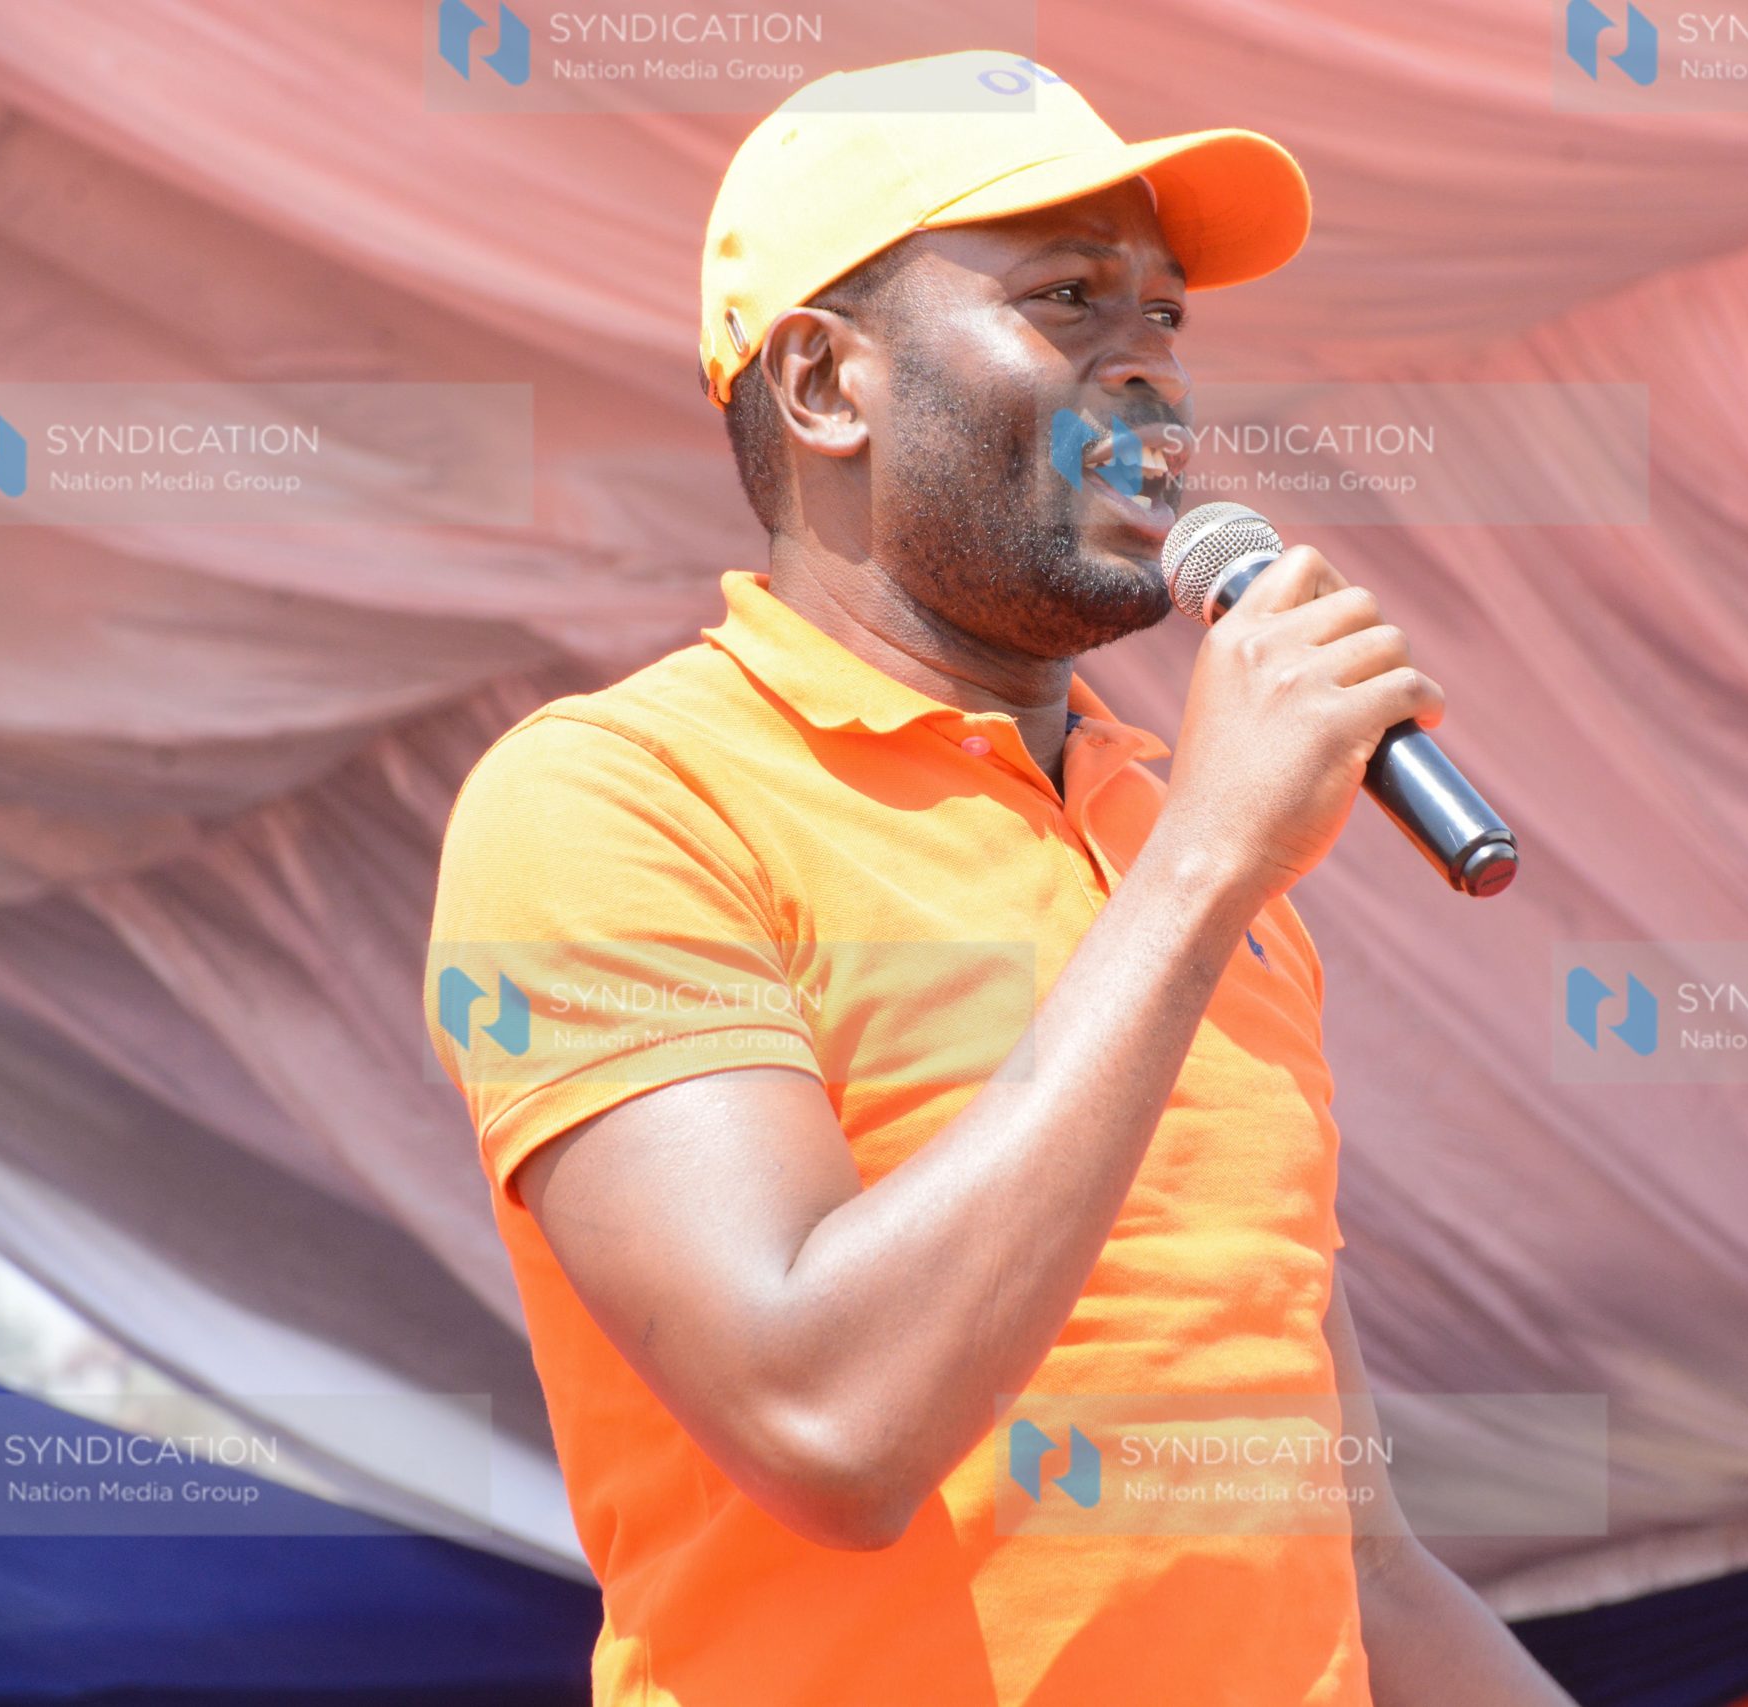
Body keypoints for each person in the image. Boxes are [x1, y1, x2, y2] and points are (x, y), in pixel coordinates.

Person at [426, 47, 1574, 1707]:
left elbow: (1361, 1560)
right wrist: (1199, 878)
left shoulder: (1173, 837)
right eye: (1067, 301)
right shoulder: (616, 799)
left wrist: (1191, 866)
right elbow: (830, 1423)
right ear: (825, 384)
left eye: (1167, 317)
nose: (1152, 377)